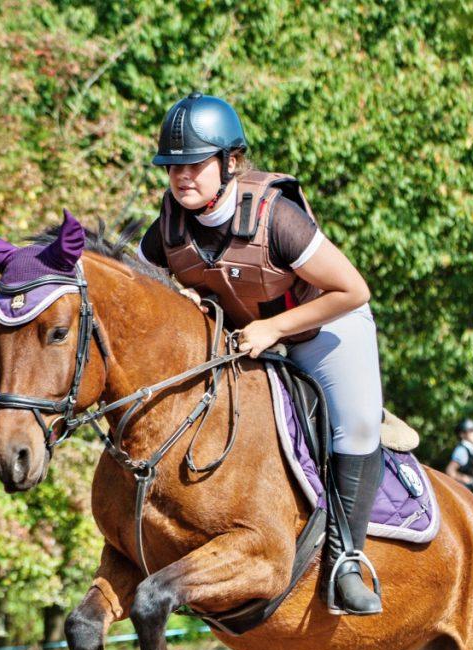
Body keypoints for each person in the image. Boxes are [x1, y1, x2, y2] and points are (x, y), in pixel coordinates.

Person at [138, 92, 383, 615]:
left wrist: (273, 328)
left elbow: (353, 289)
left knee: (358, 425)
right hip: (245, 343)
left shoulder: (277, 219)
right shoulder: (168, 229)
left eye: (195, 164)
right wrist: (176, 296)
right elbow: (139, 288)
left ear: (231, 162)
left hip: (323, 328)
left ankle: (346, 560)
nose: (181, 176)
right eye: (173, 166)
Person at [445, 418, 473, 494]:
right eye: (472, 431)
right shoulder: (462, 450)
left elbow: (468, 468)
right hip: (459, 492)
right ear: (462, 434)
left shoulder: (469, 449)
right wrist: (465, 479)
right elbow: (449, 471)